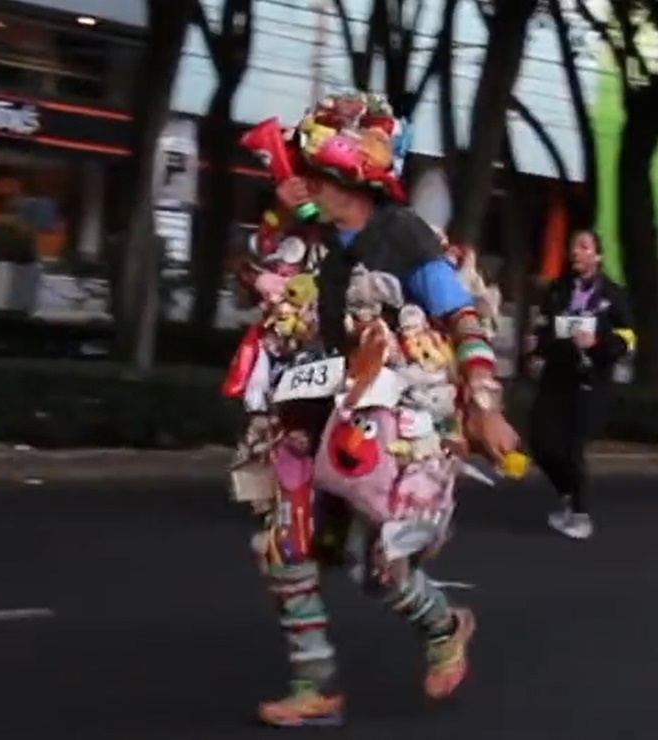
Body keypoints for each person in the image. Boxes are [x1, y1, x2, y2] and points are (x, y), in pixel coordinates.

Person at [252, 92, 521, 727]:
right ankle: (314, 683)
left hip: (389, 418)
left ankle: (445, 625)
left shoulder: (402, 233)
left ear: (351, 171)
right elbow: (272, 274)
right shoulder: (316, 231)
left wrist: (483, 404)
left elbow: (462, 317)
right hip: (315, 408)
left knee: (382, 571)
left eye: (315, 166)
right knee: (282, 545)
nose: (303, 177)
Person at [525, 230, 634, 540]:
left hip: (590, 380)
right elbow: (544, 326)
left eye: (584, 248)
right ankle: (567, 494)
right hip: (556, 376)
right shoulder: (558, 289)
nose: (576, 253)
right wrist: (535, 345)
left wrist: (599, 342)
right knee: (542, 443)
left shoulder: (613, 295)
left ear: (597, 256)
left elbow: (628, 339)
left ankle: (581, 514)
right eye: (573, 247)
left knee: (572, 447)